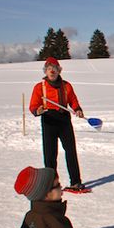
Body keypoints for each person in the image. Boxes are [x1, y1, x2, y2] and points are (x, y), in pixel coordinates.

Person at [29, 57, 86, 192]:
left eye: (54, 69)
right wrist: (38, 110)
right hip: (49, 120)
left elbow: (73, 101)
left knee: (71, 151)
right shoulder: (39, 87)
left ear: (59, 71)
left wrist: (78, 109)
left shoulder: (66, 86)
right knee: (50, 154)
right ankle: (52, 184)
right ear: (45, 71)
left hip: (64, 120)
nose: (52, 71)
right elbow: (33, 105)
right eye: (49, 69)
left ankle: (76, 182)